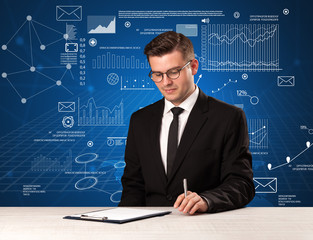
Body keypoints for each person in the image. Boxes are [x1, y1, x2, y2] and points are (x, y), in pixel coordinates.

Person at [118, 31, 255, 214]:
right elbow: (133, 186)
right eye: (157, 74)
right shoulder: (140, 120)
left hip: (203, 226)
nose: (165, 82)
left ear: (194, 66)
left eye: (173, 72)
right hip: (149, 228)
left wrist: (207, 200)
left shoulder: (229, 117)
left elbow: (242, 184)